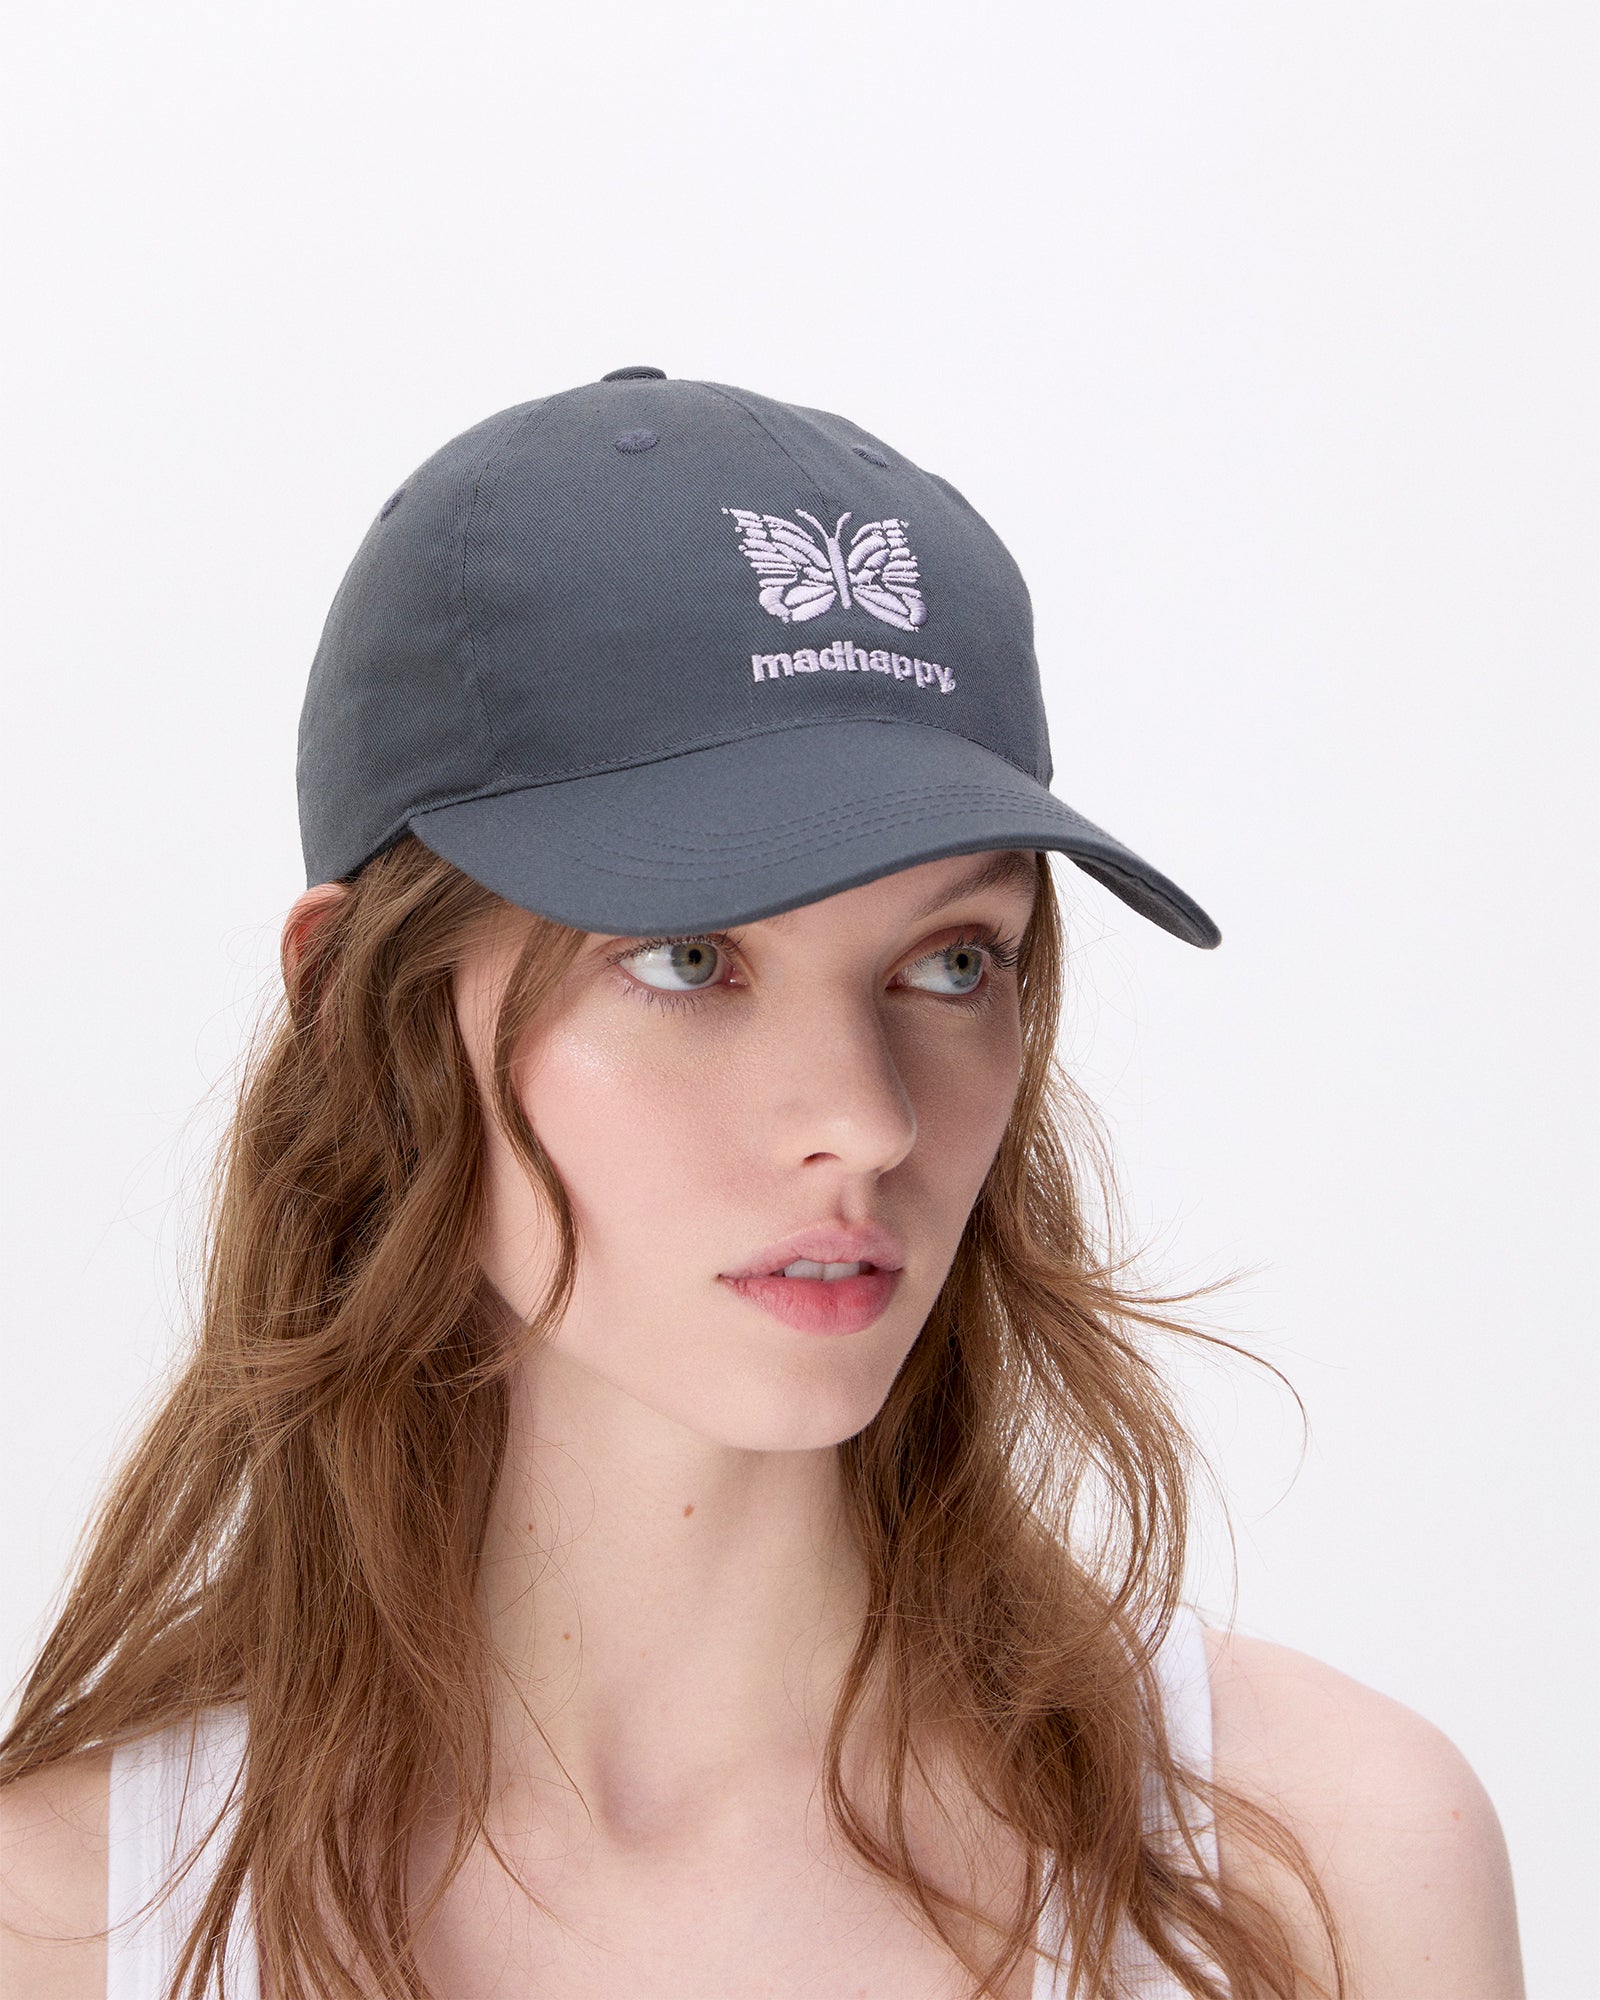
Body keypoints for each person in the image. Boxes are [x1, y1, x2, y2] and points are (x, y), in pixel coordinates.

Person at [0, 369, 1523, 1999]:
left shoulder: (1314, 1868)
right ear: (356, 1014)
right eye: (688, 957)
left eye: (952, 960)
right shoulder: (64, 1929)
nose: (866, 1121)